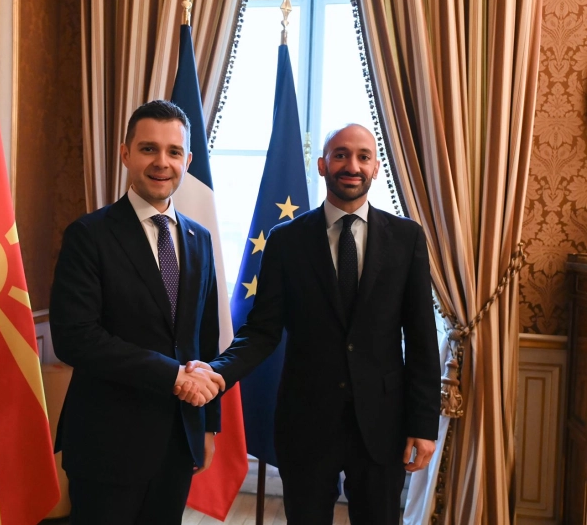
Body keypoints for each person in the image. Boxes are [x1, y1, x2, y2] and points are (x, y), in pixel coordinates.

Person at [178, 124, 441, 524]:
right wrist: (217, 372)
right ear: (322, 164)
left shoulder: (407, 238)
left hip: (382, 422)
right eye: (341, 155)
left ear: (376, 168)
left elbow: (421, 338)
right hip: (306, 421)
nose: (352, 166)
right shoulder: (286, 240)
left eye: (363, 157)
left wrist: (424, 424)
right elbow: (262, 331)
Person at [50, 100, 226, 525]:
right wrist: (172, 376)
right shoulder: (88, 235)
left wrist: (206, 425)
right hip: (106, 444)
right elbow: (76, 338)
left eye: (173, 151)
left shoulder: (200, 238)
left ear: (187, 161)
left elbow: (204, 340)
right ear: (126, 153)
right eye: (149, 149)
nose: (161, 162)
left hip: (178, 442)